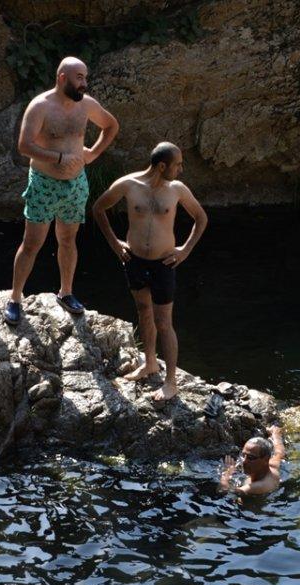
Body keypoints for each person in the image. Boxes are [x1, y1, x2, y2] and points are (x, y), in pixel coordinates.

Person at [4, 56, 120, 326]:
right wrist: (57, 158)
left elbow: (111, 125)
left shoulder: (86, 105)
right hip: (45, 183)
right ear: (62, 78)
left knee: (68, 240)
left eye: (85, 77)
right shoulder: (41, 107)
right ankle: (15, 298)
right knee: (32, 243)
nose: (84, 83)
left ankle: (66, 292)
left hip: (76, 182)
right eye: (79, 77)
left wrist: (93, 153)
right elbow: (24, 145)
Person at [92, 142, 208, 402]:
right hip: (134, 260)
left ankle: (171, 383)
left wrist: (185, 250)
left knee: (164, 322)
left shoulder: (177, 189)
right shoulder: (129, 185)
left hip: (163, 264)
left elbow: (201, 218)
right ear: (162, 166)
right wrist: (114, 244)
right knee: (143, 311)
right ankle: (150, 363)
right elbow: (98, 209)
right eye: (178, 164)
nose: (181, 169)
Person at [220, 426, 285, 496]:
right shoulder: (272, 465)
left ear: (265, 459)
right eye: (243, 455)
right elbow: (279, 452)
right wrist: (275, 434)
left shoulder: (259, 486)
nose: (244, 461)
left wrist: (227, 473)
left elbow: (223, 492)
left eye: (250, 457)